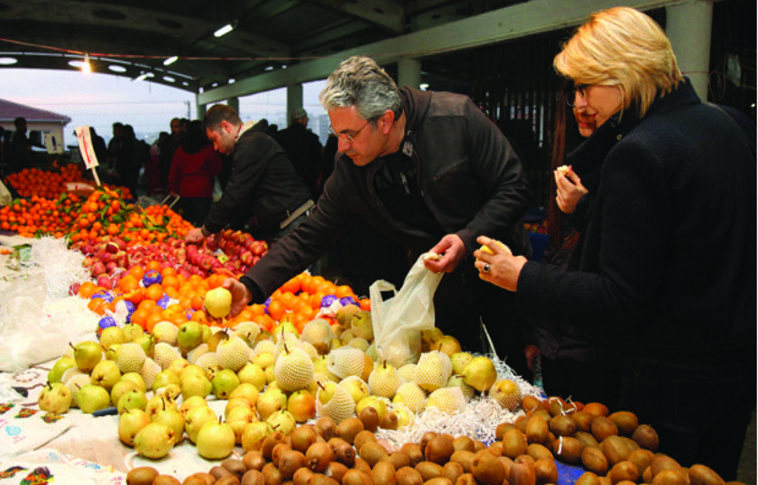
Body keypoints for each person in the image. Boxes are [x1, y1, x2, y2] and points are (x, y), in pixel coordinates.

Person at [475, 7, 755, 479]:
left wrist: (522, 276)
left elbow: (619, 298)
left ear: (622, 74)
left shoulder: (640, 151)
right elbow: (688, 237)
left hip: (669, 382)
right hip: (733, 370)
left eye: (587, 86)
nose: (582, 102)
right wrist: (591, 210)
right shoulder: (725, 124)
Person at [221, 56, 532, 364]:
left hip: (499, 271)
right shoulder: (351, 168)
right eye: (336, 133)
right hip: (437, 287)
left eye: (349, 134)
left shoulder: (455, 117)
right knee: (455, 371)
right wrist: (251, 284)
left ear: (385, 121)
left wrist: (466, 238)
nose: (341, 146)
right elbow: (311, 234)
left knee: (513, 368)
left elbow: (515, 187)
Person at [523, 80, 619, 405]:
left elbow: (615, 276)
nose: (580, 105)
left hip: (601, 352)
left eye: (589, 91)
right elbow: (556, 251)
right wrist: (540, 337)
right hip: (561, 345)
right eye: (574, 93)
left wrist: (582, 209)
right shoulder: (572, 157)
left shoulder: (629, 161)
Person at [184, 104, 313, 245]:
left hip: (296, 222)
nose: (215, 148)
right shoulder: (251, 142)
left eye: (214, 139)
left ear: (226, 127)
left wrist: (205, 230)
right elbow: (243, 197)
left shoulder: (250, 145)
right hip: (290, 222)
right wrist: (223, 224)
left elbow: (235, 193)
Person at [168, 120, 222, 226]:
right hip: (203, 192)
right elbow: (217, 169)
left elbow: (173, 172)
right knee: (202, 223)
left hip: (184, 192)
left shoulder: (180, 150)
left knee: (186, 224)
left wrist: (172, 188)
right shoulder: (208, 150)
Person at [274, 108, 324, 199]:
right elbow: (318, 165)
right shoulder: (312, 139)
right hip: (306, 187)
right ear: (303, 120)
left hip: (284, 187)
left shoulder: (280, 137)